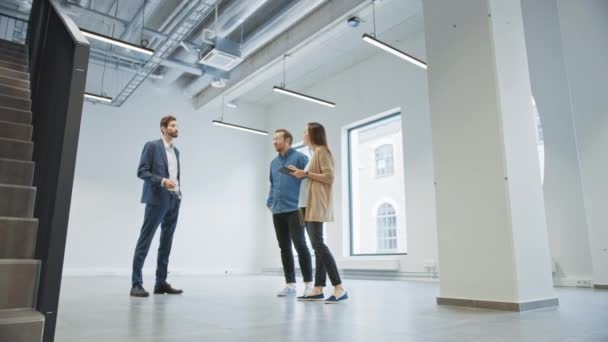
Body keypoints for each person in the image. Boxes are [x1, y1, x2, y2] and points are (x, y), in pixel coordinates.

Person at [289, 122, 348, 304]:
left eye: (306, 131)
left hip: (315, 204)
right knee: (317, 246)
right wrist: (300, 173)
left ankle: (339, 288)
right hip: (306, 204)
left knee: (318, 245)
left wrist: (306, 174)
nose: (303, 133)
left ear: (314, 134)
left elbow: (330, 177)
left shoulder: (322, 152)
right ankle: (318, 288)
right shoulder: (313, 154)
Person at [130, 115, 183, 297]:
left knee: (166, 243)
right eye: (173, 126)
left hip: (173, 200)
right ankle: (136, 284)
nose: (176, 129)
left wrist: (179, 192)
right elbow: (142, 172)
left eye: (177, 126)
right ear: (163, 128)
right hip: (156, 200)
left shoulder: (176, 152)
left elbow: (176, 176)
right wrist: (161, 182)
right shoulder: (152, 146)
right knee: (145, 240)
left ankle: (160, 283)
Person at [267, 129, 314, 297]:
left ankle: (309, 285)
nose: (274, 141)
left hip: (295, 209)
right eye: (273, 139)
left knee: (300, 245)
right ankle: (290, 285)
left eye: (278, 139)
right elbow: (272, 184)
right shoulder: (273, 163)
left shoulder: (300, 158)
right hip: (278, 210)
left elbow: (309, 180)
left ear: (287, 140)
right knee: (284, 248)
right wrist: (270, 201)